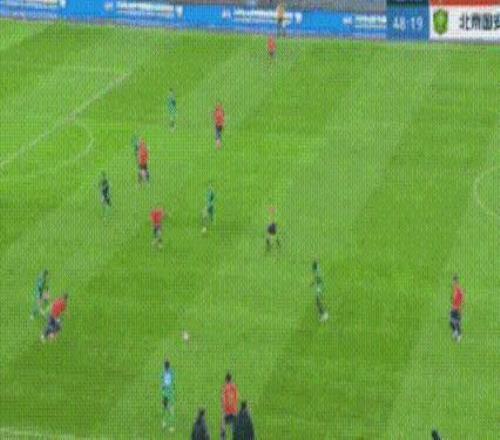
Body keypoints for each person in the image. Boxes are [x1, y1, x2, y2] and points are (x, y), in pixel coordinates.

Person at [220, 373, 238, 440]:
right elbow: (236, 399)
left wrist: (223, 409)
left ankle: (223, 438)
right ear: (231, 379)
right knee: (234, 427)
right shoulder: (234, 387)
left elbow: (223, 400)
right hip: (234, 411)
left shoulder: (225, 388)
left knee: (223, 425)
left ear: (226, 380)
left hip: (227, 411)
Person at [161, 360, 175, 432]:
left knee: (165, 408)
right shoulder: (171, 372)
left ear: (164, 366)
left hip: (165, 394)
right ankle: (170, 425)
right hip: (169, 394)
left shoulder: (164, 372)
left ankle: (165, 423)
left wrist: (163, 387)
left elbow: (163, 383)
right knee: (170, 409)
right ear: (169, 366)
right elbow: (173, 382)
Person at [450, 274, 464, 342]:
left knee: (456, 322)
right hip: (453, 308)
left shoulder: (459, 291)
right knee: (451, 322)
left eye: (453, 282)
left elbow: (461, 301)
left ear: (456, 282)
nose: (452, 283)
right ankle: (455, 332)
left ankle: (459, 335)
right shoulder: (454, 290)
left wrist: (460, 310)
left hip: (457, 309)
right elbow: (453, 300)